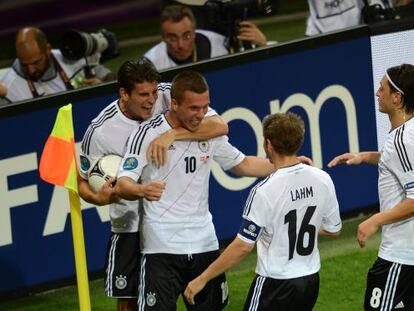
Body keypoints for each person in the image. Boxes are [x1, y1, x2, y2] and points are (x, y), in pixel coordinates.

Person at [116, 71, 314, 310]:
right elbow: (123, 183)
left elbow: (242, 165)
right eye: (194, 108)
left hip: (204, 243)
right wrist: (142, 190)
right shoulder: (146, 134)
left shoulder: (208, 131)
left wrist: (287, 163)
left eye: (205, 107)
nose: (201, 114)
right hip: (161, 246)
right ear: (175, 104)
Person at [78, 60, 228, 311]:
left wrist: (172, 134)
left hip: (168, 226)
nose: (151, 100)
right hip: (129, 222)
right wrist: (103, 199)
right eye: (143, 94)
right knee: (128, 301)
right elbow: (82, 183)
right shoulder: (100, 131)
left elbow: (219, 126)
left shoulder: (170, 95)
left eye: (154, 92)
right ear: (124, 94)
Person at [183, 112, 342, 310]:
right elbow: (333, 230)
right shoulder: (322, 179)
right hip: (310, 281)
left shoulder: (264, 191)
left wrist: (202, 278)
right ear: (299, 142)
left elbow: (243, 246)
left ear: (268, 144)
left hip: (275, 285)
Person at [328, 64, 414, 311]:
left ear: (397, 98)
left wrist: (374, 220)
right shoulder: (406, 135)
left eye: (382, 88)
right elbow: (400, 162)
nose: (377, 93)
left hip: (401, 256)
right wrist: (366, 157)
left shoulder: (402, 141)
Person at [0, 27, 114, 102]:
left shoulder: (73, 58)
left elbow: (111, 79)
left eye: (36, 62)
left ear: (48, 50)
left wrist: (102, 88)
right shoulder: (9, 90)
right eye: (24, 64)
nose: (31, 70)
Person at [144, 4, 267, 70]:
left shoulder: (219, 45)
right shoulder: (151, 63)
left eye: (186, 36)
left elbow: (249, 72)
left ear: (194, 31)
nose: (180, 45)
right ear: (163, 37)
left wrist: (263, 47)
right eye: (172, 38)